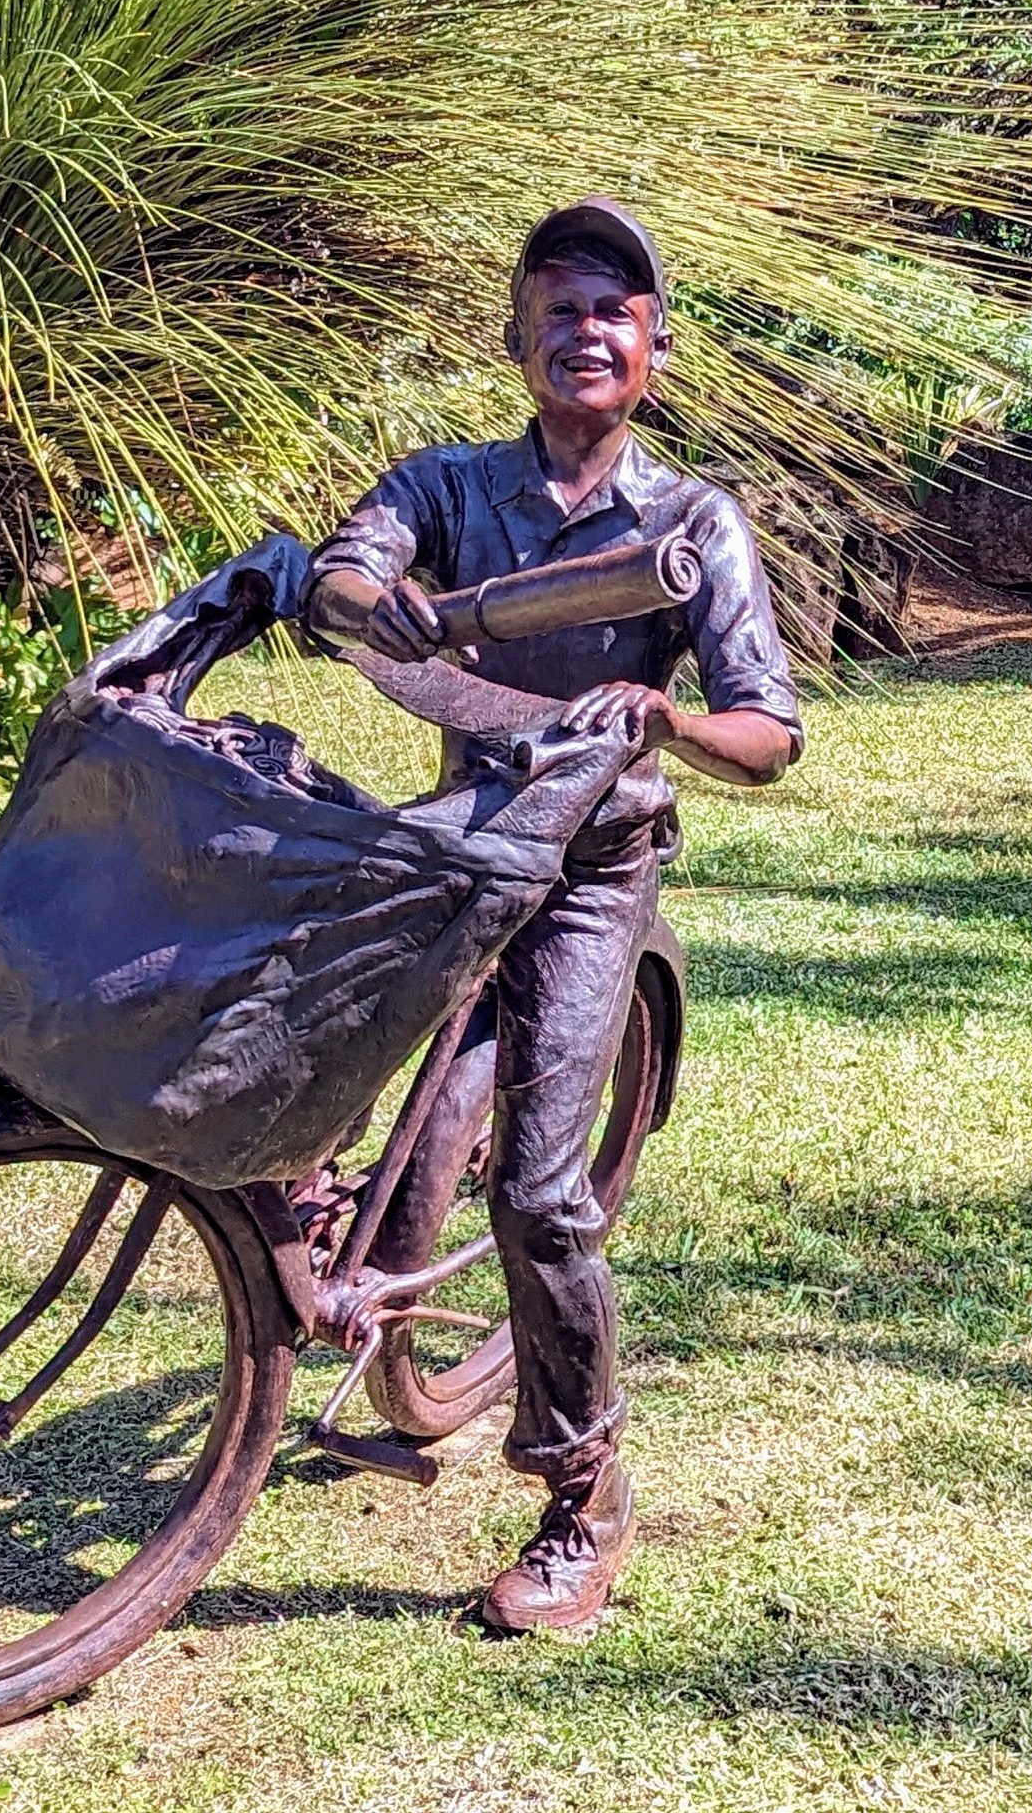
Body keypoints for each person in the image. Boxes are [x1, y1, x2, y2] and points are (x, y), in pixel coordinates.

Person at [303, 198, 800, 1637]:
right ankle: (321, 1232)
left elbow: (772, 730)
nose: (587, 332)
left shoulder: (691, 519)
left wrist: (668, 718)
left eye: (615, 311)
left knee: (535, 1190)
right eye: (560, 308)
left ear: (652, 345)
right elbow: (349, 565)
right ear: (520, 337)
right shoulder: (450, 487)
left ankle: (584, 1495)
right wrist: (362, 598)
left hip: (593, 866)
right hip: (464, 842)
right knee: (287, 1024)